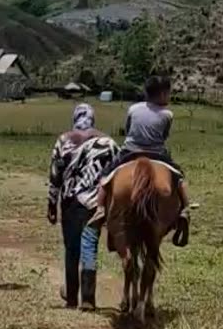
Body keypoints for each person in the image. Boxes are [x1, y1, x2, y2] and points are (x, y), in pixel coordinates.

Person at [88, 76, 191, 237]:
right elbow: (164, 136)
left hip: (130, 150)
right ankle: (185, 208)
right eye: (168, 93)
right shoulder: (167, 114)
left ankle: (100, 208)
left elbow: (128, 129)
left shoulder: (133, 109)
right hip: (157, 153)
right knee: (179, 178)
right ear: (162, 94)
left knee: (105, 175)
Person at [48, 103, 119, 310]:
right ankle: (88, 299)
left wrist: (51, 204)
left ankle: (71, 299)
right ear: (93, 119)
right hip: (95, 203)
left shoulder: (64, 140)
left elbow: (55, 175)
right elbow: (117, 172)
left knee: (72, 250)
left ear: (74, 118)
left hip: (70, 202)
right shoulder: (108, 142)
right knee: (89, 247)